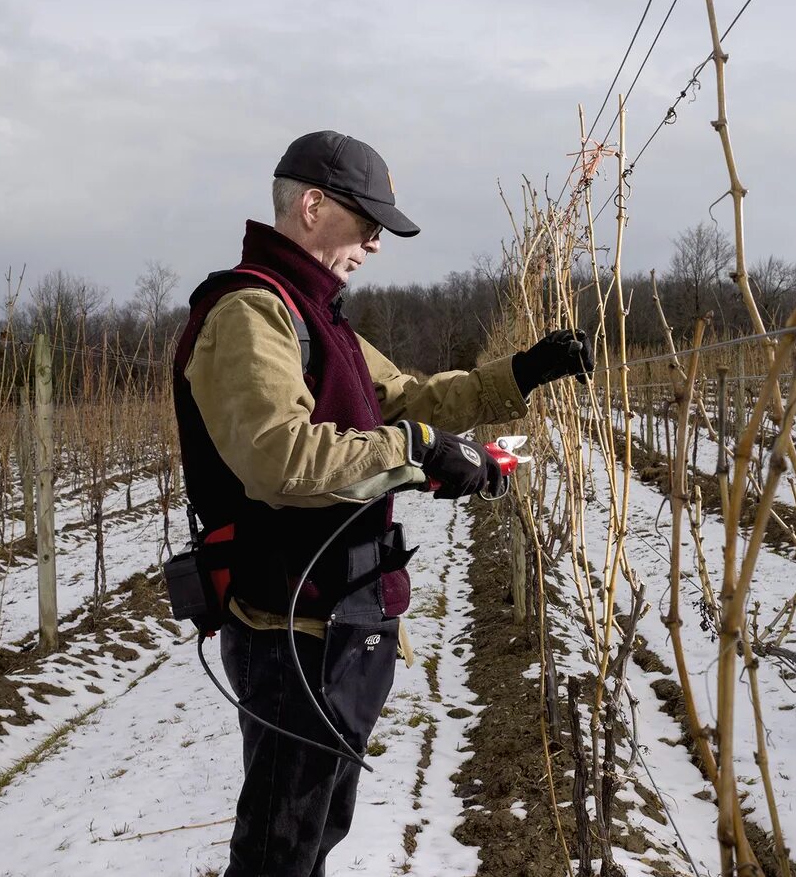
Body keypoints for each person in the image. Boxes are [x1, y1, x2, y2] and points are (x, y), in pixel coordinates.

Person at [172, 130, 593, 876]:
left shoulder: (318, 313)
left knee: (312, 833)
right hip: (292, 627)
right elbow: (281, 457)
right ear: (311, 206)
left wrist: (520, 374)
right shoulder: (252, 312)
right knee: (279, 846)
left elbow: (407, 397)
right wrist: (417, 448)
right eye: (366, 222)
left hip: (339, 618)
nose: (374, 243)